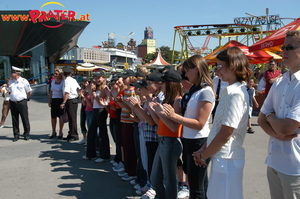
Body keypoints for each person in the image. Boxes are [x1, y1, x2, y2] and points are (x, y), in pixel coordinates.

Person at [193, 47, 252, 199]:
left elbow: (226, 132)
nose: (217, 71)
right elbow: (219, 127)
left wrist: (204, 154)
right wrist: (204, 149)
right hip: (223, 157)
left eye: (220, 66)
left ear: (233, 66)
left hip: (227, 158)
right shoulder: (231, 91)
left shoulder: (236, 93)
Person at [163, 55, 215, 199]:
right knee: (199, 184)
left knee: (196, 188)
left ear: (197, 70)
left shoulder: (205, 91)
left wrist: (175, 116)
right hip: (189, 140)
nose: (185, 75)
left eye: (186, 71)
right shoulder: (195, 91)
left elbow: (199, 124)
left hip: (198, 141)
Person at [257, 30, 300, 199]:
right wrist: (276, 130)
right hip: (274, 161)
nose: (284, 51)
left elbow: (286, 127)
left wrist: (271, 117)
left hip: (295, 166)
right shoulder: (280, 82)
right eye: (283, 47)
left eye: (290, 47)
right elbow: (260, 119)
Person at [147, 70, 183, 199]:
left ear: (171, 84)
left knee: (169, 179)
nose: (161, 85)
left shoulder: (178, 101)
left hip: (171, 142)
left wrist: (160, 112)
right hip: (163, 141)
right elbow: (159, 123)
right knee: (155, 178)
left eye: (163, 83)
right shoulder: (168, 100)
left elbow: (174, 127)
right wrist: (153, 110)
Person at [83, 71, 110, 162]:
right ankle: (91, 154)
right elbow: (91, 104)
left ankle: (104, 155)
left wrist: (93, 94)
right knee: (91, 132)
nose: (97, 79)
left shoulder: (105, 88)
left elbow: (100, 102)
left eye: (99, 78)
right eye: (96, 78)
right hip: (95, 109)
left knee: (102, 132)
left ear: (104, 78)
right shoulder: (96, 88)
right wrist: (90, 93)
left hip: (101, 110)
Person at [9, 70, 32, 142]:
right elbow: (9, 91)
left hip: (21, 102)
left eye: (12, 73)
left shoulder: (23, 81)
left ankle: (26, 134)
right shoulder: (11, 81)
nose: (11, 74)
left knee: (24, 118)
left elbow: (29, 91)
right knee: (14, 119)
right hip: (13, 102)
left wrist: (26, 99)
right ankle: (16, 135)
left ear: (16, 73)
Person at [60, 67, 80, 141]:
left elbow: (67, 93)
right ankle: (71, 133)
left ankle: (74, 135)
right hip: (74, 100)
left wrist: (63, 102)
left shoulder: (67, 81)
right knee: (72, 118)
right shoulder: (73, 80)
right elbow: (78, 89)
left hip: (70, 100)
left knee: (72, 118)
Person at [48, 69, 65, 139]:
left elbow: (64, 92)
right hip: (54, 100)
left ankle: (61, 131)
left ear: (60, 74)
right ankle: (53, 131)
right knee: (53, 117)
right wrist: (49, 100)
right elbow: (51, 91)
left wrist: (64, 102)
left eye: (57, 74)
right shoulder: (53, 81)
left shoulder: (63, 82)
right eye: (55, 73)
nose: (55, 75)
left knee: (61, 117)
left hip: (60, 100)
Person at [77, 77, 89, 144]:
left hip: (89, 107)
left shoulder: (90, 89)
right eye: (84, 81)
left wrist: (84, 95)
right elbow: (82, 102)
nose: (85, 83)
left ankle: (89, 139)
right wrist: (80, 95)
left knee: (89, 123)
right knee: (82, 122)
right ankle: (85, 138)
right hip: (83, 107)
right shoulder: (82, 89)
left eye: (86, 81)